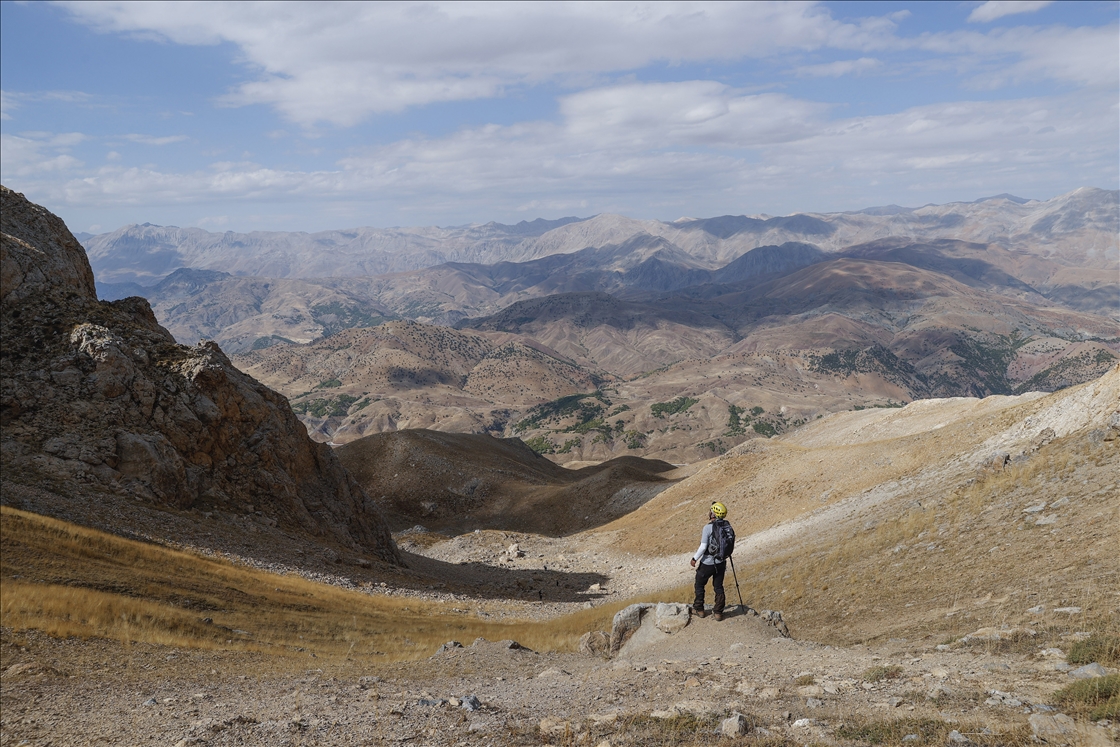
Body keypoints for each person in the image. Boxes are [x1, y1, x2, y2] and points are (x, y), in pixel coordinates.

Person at [690, 501, 728, 621]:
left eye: (710, 511)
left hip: (707, 563)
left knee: (699, 584)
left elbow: (703, 546)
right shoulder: (727, 526)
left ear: (713, 514)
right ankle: (718, 612)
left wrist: (694, 558)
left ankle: (699, 609)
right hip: (721, 562)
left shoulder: (707, 528)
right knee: (718, 586)